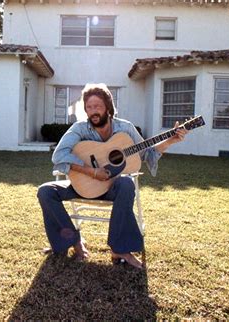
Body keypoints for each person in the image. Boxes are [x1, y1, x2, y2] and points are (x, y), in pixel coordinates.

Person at [37, 83, 188, 269]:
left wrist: (171, 140)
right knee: (45, 191)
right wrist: (91, 171)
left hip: (112, 189)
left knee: (126, 183)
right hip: (83, 186)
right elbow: (58, 155)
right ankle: (73, 242)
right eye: (89, 107)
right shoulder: (79, 129)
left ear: (108, 107)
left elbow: (147, 153)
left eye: (97, 106)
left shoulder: (125, 129)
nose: (93, 111)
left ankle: (120, 249)